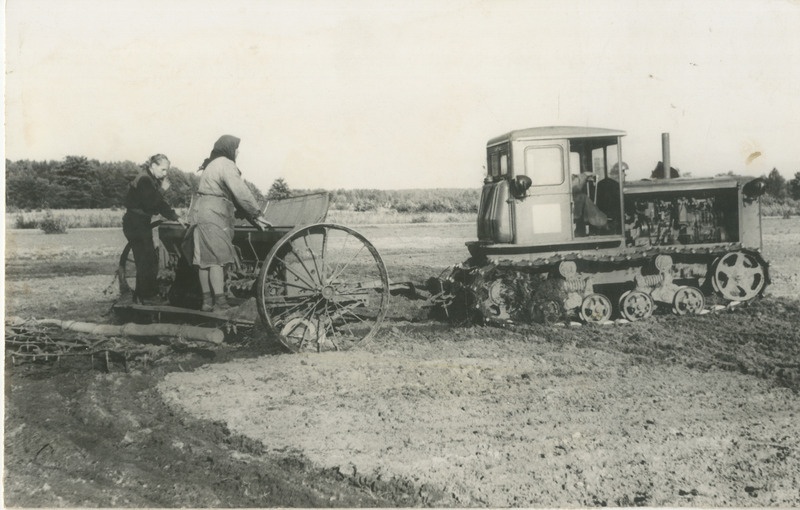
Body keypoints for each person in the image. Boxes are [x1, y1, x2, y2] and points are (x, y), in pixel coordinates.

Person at [185, 135, 270, 311]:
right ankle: (220, 302)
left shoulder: (211, 164)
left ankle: (207, 302)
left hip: (200, 212)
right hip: (214, 212)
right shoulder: (226, 164)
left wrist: (253, 218)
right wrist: (257, 213)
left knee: (203, 260)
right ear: (229, 148)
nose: (238, 152)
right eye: (237, 148)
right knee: (218, 258)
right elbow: (240, 192)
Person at [122, 153, 182, 305]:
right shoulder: (144, 180)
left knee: (148, 259)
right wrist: (162, 190)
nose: (165, 173)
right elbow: (151, 203)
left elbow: (160, 204)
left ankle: (144, 295)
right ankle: (147, 297)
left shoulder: (150, 180)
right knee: (146, 260)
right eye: (163, 169)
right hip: (135, 223)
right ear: (153, 166)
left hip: (139, 223)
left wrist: (175, 217)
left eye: (167, 170)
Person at [595, 162, 625, 230]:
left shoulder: (601, 183)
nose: (624, 177)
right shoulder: (616, 186)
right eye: (624, 174)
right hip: (612, 221)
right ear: (619, 174)